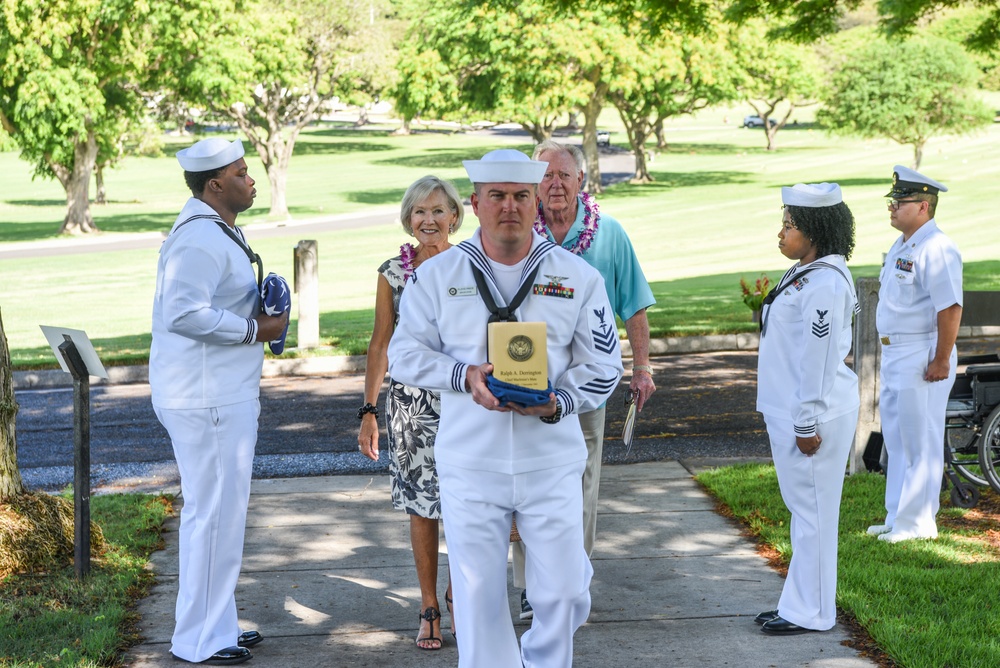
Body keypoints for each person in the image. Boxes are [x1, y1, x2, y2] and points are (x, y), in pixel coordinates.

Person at [387, 149, 623, 668]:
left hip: (550, 459)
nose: (509, 207)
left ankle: (539, 660)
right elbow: (402, 353)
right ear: (475, 203)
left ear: (536, 200)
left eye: (520, 196)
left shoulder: (577, 277)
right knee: (476, 597)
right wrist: (462, 375)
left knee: (563, 592)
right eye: (497, 196)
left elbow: (605, 365)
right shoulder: (438, 275)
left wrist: (560, 400)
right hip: (470, 461)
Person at [150, 137, 289, 665]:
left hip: (217, 394)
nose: (251, 180)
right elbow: (183, 313)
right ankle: (199, 641)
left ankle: (217, 624)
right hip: (206, 399)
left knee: (222, 516)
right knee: (212, 517)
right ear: (215, 185)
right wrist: (256, 327)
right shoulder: (196, 241)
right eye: (242, 173)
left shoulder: (213, 228)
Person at [512, 140, 655, 619]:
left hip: (587, 388)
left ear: (581, 182)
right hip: (524, 382)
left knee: (581, 487)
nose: (554, 184)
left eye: (564, 175)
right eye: (545, 176)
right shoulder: (513, 233)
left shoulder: (608, 234)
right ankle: (533, 590)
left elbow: (633, 304)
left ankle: (571, 583)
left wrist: (642, 367)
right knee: (524, 485)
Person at [357, 175, 464, 650]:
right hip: (411, 407)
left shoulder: (472, 264)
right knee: (423, 507)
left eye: (438, 210)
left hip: (467, 399)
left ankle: (460, 594)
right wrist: (368, 409)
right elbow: (380, 345)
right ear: (408, 219)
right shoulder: (392, 272)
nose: (429, 220)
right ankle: (428, 605)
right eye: (419, 211)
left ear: (455, 216)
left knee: (467, 501)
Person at [754, 182, 860, 635]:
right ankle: (797, 603)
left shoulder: (825, 284)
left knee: (815, 515)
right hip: (793, 409)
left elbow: (817, 360)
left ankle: (812, 612)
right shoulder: (806, 272)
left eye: (789, 225)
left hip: (813, 414)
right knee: (805, 513)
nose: (780, 233)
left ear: (814, 231)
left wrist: (805, 420)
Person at [867, 165, 963, 543]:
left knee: (920, 439)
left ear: (923, 206)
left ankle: (919, 523)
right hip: (896, 353)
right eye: (892, 200)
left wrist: (941, 359)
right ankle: (898, 516)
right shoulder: (904, 245)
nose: (892, 207)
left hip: (922, 353)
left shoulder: (938, 247)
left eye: (900, 201)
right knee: (898, 439)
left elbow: (950, 307)